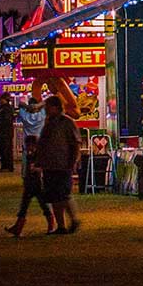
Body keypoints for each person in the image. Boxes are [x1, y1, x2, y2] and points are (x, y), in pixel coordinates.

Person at [35, 97, 82, 234]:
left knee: (63, 195)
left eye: (48, 107)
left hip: (62, 164)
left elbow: (76, 142)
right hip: (50, 165)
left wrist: (73, 161)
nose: (46, 110)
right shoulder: (49, 123)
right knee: (53, 196)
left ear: (56, 107)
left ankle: (73, 220)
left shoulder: (67, 122)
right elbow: (43, 144)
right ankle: (61, 226)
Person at [0, 95, 17, 173]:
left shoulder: (6, 109)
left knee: (5, 150)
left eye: (1, 99)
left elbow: (6, 121)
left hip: (5, 133)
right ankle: (6, 166)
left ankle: (7, 166)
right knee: (4, 150)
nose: (0, 101)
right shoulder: (4, 109)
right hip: (4, 133)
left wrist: (1, 130)